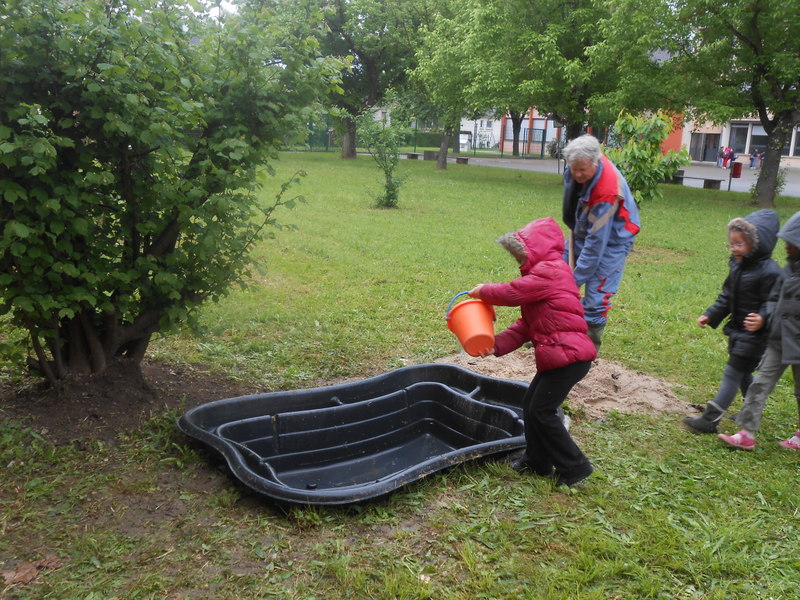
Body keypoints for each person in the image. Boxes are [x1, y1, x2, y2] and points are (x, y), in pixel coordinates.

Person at [467, 217, 597, 485]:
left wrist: (484, 291)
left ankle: (575, 467)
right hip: (559, 357)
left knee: (542, 411)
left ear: (537, 249)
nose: (518, 260)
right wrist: (496, 345)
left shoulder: (552, 271)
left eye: (521, 254)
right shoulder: (542, 278)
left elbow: (513, 293)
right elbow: (525, 326)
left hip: (569, 358)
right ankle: (537, 461)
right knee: (531, 404)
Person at [683, 210, 782, 433]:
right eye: (732, 244)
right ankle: (751, 409)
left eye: (740, 244)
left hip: (756, 335)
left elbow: (776, 302)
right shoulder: (738, 266)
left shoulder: (771, 272)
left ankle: (709, 421)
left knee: (732, 373)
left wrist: (763, 318)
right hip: (738, 331)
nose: (734, 248)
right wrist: (711, 314)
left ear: (758, 244)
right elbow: (728, 295)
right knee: (744, 373)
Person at [718, 211, 800, 451]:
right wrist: (765, 317)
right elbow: (774, 299)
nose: (785, 246)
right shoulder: (787, 270)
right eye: (785, 241)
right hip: (778, 339)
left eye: (792, 243)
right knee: (760, 384)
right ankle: (746, 433)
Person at [561, 134, 641, 350]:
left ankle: (587, 349)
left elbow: (596, 244)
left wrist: (576, 280)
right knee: (558, 278)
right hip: (581, 226)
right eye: (573, 169)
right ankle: (551, 333)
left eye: (582, 170)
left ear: (596, 162)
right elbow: (570, 197)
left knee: (596, 298)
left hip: (615, 239)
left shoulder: (607, 191)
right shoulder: (575, 166)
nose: (576, 174)